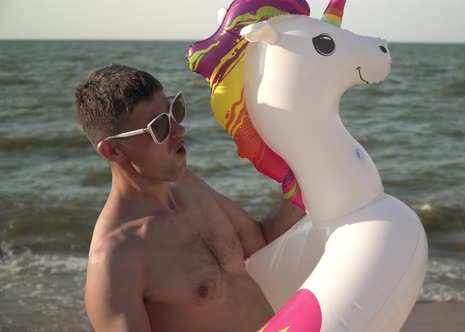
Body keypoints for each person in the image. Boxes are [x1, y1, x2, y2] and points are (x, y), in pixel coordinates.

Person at [75, 63, 305, 332]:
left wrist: (304, 176)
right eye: (159, 127)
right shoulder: (117, 257)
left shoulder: (190, 186)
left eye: (175, 110)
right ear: (113, 151)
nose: (180, 131)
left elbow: (260, 240)